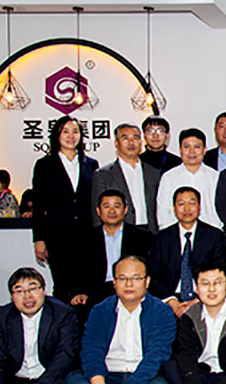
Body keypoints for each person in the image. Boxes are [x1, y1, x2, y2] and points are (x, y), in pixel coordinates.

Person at [64, 256, 176, 384]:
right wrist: (98, 383)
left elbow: (156, 356)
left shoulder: (162, 311)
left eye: (136, 278)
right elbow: (91, 349)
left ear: (147, 281)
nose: (129, 284)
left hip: (143, 379)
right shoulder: (100, 310)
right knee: (73, 380)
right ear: (114, 282)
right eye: (123, 278)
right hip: (108, 377)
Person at [31, 115, 99, 302]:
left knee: (87, 285)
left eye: (75, 131)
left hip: (86, 235)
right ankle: (62, 320)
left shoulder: (91, 164)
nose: (71, 136)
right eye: (65, 132)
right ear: (57, 135)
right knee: (62, 286)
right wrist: (39, 239)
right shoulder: (44, 165)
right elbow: (39, 205)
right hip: (57, 236)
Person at [149, 186, 226, 317]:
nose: (187, 209)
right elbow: (153, 275)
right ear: (174, 209)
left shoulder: (214, 236)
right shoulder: (161, 238)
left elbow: (221, 271)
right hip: (169, 299)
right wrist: (171, 301)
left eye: (191, 203)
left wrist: (197, 300)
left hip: (203, 298)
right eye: (181, 204)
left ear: (199, 207)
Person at [73, 190, 154, 313]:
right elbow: (77, 271)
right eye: (106, 206)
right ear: (98, 211)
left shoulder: (142, 237)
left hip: (131, 288)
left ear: (125, 210)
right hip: (96, 293)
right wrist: (80, 292)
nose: (112, 211)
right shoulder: (85, 239)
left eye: (117, 206)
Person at [91, 123, 160, 231]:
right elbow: (97, 214)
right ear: (116, 143)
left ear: (141, 142)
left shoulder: (153, 173)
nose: (131, 142)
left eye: (135, 138)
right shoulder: (103, 174)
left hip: (150, 231)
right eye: (125, 138)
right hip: (118, 232)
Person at [155, 128, 222, 229]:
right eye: (187, 147)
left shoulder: (215, 177)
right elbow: (163, 211)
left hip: (210, 233)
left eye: (197, 147)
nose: (191, 151)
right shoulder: (168, 177)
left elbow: (221, 210)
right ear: (180, 149)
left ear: (204, 150)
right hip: (175, 234)